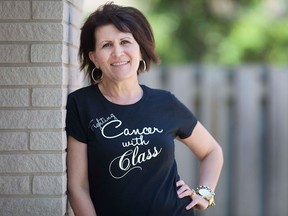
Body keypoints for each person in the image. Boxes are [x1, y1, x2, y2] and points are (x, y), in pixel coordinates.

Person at [66, 3, 223, 216]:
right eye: (106, 45)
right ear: (94, 58)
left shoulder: (165, 103)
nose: (117, 52)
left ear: (140, 49)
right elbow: (78, 187)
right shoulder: (82, 104)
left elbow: (212, 151)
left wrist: (205, 194)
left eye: (125, 42)